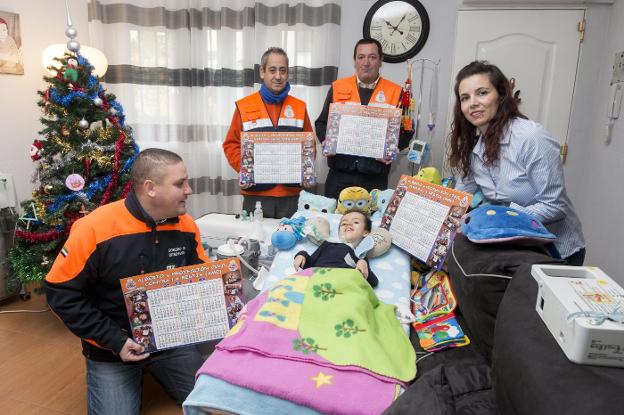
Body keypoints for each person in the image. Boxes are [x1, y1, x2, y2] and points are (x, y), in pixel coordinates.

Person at [44, 148, 208, 415]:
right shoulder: (94, 229)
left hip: (170, 338)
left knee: (216, 399)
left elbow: (201, 274)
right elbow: (61, 293)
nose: (188, 190)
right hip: (113, 345)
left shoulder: (186, 226)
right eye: (180, 183)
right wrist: (114, 340)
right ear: (150, 188)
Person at [448, 61, 586, 265]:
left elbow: (554, 206)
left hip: (556, 251)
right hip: (515, 247)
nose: (473, 103)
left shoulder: (531, 137)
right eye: (465, 98)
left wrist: (497, 218)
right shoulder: (475, 147)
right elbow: (460, 197)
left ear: (501, 96)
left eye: (482, 93)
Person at [315, 38, 413, 200]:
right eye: (361, 57)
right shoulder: (338, 87)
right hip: (339, 175)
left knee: (371, 225)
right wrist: (327, 140)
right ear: (355, 61)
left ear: (381, 61)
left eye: (372, 57)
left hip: (374, 178)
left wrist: (394, 148)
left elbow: (407, 130)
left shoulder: (397, 92)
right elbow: (321, 123)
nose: (366, 62)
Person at [223, 46, 314, 218]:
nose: (278, 76)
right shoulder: (244, 106)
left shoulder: (299, 106)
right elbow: (231, 144)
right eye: (272, 70)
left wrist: (306, 169)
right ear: (262, 72)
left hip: (290, 195)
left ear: (288, 73)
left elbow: (309, 147)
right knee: (255, 242)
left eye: (283, 70)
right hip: (255, 194)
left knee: (290, 242)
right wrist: (244, 168)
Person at [293, 211, 379, 287]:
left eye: (356, 222)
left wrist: (363, 265)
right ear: (339, 233)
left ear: (365, 232)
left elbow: (373, 282)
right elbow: (309, 264)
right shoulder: (328, 244)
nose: (348, 224)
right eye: (344, 224)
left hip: (342, 285)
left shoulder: (360, 255)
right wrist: (302, 255)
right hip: (318, 280)